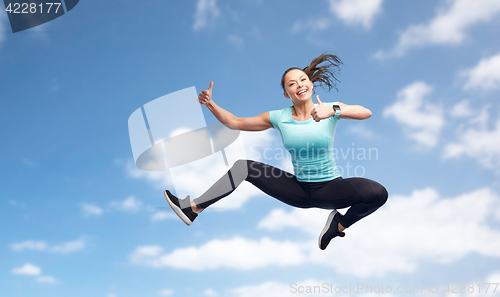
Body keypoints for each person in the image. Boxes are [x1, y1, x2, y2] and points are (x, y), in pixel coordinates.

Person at [164, 53, 388, 250]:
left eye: (302, 80)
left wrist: (333, 110)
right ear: (286, 93)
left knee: (378, 194)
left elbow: (365, 112)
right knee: (244, 167)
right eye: (291, 84)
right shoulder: (279, 117)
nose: (299, 85)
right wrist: (210, 104)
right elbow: (235, 122)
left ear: (310, 84)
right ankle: (194, 209)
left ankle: (337, 225)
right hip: (298, 189)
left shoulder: (328, 109)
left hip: (330, 188)